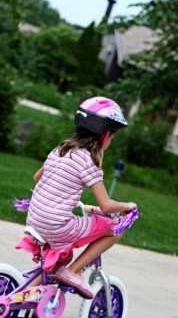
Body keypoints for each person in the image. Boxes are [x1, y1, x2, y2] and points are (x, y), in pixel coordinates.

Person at [25, 96, 136, 298]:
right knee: (114, 229)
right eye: (112, 137)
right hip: (56, 224)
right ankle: (73, 272)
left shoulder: (60, 148)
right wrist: (126, 205)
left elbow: (37, 177)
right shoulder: (89, 161)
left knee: (60, 259)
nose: (111, 141)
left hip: (34, 218)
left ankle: (33, 298)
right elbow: (106, 205)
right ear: (105, 136)